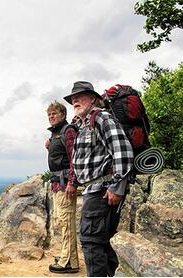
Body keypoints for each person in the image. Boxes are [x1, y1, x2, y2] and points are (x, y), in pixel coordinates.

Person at [63, 81, 134, 277]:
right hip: (93, 191)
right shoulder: (84, 124)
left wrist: (117, 186)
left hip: (101, 191)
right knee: (102, 241)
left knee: (91, 242)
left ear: (93, 98)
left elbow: (123, 151)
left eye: (80, 96)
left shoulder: (101, 118)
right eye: (72, 99)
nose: (75, 100)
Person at [45, 101, 79, 274]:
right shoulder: (57, 134)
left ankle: (70, 262)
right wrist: (50, 145)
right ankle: (68, 256)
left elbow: (74, 158)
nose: (51, 116)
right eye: (49, 114)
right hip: (58, 183)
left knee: (66, 222)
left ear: (63, 114)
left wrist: (73, 182)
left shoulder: (68, 130)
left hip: (66, 183)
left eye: (54, 113)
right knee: (62, 221)